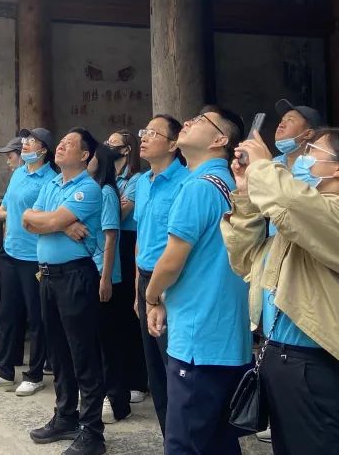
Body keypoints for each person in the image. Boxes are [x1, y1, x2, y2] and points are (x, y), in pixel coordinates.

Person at [221, 127, 339, 454]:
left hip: (323, 365)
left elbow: (293, 203)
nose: (301, 159)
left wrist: (261, 167)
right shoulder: (301, 220)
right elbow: (246, 260)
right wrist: (245, 195)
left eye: (312, 151)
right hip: (280, 357)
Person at [146, 106, 249, 455]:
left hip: (198, 338)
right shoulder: (231, 184)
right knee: (219, 442)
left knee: (185, 444)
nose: (188, 122)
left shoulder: (198, 188)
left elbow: (172, 261)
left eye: (201, 121)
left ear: (220, 140)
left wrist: (151, 296)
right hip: (227, 336)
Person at [24, 128, 105, 455]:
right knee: (58, 352)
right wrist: (62, 223)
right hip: (47, 277)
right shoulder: (52, 184)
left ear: (84, 155)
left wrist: (55, 221)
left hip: (75, 276)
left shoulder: (88, 188)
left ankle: (92, 431)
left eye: (69, 144)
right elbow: (26, 219)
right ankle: (65, 416)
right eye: (60, 143)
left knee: (82, 354)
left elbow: (43, 220)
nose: (60, 147)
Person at [0, 128, 54, 395]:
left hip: (35, 257)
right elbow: (6, 209)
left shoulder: (51, 180)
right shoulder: (19, 173)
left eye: (32, 141)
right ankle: (5, 370)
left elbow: (49, 217)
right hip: (11, 253)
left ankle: (35, 374)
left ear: (44, 149)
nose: (25, 145)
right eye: (25, 141)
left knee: (37, 317)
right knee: (8, 313)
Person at [133, 114, 187, 432]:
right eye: (145, 131)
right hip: (146, 281)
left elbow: (180, 246)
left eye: (153, 133)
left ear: (173, 144)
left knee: (174, 366)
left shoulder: (186, 183)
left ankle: (183, 438)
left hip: (171, 283)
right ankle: (170, 438)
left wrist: (157, 293)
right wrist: (138, 292)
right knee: (154, 368)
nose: (144, 137)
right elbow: (141, 236)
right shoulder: (142, 182)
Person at [102, 130, 148, 404]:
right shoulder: (110, 179)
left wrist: (106, 207)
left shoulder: (136, 179)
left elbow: (120, 213)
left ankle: (138, 379)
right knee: (117, 315)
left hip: (129, 242)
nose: (108, 146)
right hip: (114, 242)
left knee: (132, 314)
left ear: (127, 149)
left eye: (113, 143)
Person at [86, 144, 128, 426]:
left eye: (91, 157)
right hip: (90, 270)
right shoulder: (91, 191)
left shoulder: (106, 193)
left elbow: (111, 237)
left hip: (105, 274)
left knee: (108, 341)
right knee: (96, 339)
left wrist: (105, 278)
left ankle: (115, 400)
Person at [271, 99, 322, 168]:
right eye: (282, 120)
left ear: (308, 134)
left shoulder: (317, 167)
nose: (281, 125)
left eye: (290, 120)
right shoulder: (274, 162)